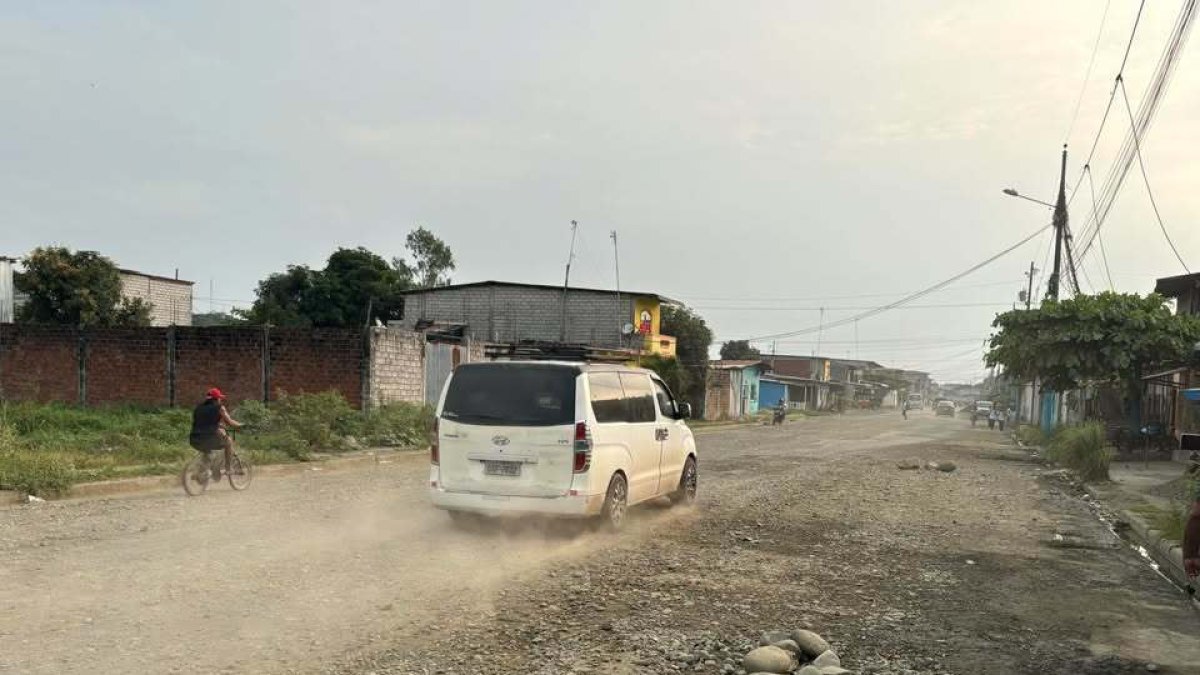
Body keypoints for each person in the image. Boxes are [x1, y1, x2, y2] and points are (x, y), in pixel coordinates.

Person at [189, 388, 242, 477]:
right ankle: (228, 469)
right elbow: (230, 422)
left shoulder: (198, 408)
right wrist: (242, 426)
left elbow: (204, 423)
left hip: (195, 438)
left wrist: (219, 425)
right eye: (219, 398)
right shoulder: (220, 408)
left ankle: (201, 472)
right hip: (210, 437)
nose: (220, 400)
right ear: (216, 399)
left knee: (207, 451)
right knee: (228, 442)